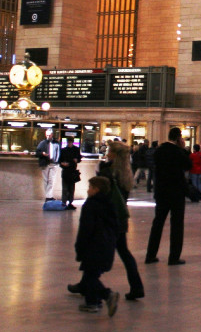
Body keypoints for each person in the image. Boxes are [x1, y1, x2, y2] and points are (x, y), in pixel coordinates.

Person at [96, 141, 144, 301]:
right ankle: (137, 286)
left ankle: (88, 283)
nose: (107, 153)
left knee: (95, 252)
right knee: (123, 252)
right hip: (120, 218)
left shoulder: (107, 172)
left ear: (115, 155)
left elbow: (99, 194)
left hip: (107, 218)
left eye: (110, 151)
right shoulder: (126, 173)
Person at [73, 176, 121, 316]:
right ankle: (92, 302)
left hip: (93, 246)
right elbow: (116, 226)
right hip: (107, 245)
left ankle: (107, 295)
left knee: (90, 277)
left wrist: (80, 248)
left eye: (90, 187)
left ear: (96, 189)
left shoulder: (90, 205)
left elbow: (85, 229)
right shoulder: (109, 203)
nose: (88, 190)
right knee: (91, 274)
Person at [146, 127, 191, 265]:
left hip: (161, 191)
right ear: (178, 138)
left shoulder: (159, 150)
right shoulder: (178, 151)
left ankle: (150, 255)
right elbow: (188, 165)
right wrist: (184, 149)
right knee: (177, 225)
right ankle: (174, 257)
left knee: (158, 223)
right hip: (176, 192)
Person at [35, 129, 60, 202]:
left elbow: (58, 152)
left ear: (52, 135)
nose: (48, 136)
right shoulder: (42, 143)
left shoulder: (56, 143)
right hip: (45, 163)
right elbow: (37, 153)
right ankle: (49, 196)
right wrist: (42, 154)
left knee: (51, 180)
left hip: (54, 163)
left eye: (49, 135)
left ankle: (48, 197)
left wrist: (57, 161)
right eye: (47, 135)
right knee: (46, 180)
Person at [59, 137, 82, 209]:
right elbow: (60, 161)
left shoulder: (76, 150)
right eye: (68, 142)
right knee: (65, 188)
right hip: (66, 171)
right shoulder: (63, 150)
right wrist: (63, 164)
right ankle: (64, 202)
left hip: (72, 171)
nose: (69, 143)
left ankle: (70, 202)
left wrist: (77, 160)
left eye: (70, 142)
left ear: (72, 142)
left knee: (71, 188)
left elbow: (79, 158)